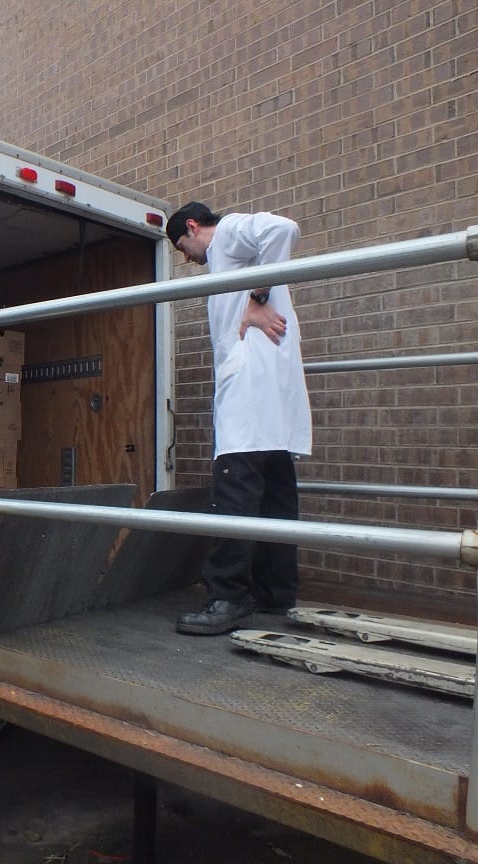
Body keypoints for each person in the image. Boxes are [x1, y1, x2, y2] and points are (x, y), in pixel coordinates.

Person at [165, 202, 312, 635]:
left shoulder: (226, 237)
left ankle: (228, 597)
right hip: (273, 402)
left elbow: (283, 227)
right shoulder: (234, 254)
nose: (187, 258)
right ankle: (275, 596)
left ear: (192, 227)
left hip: (249, 399)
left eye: (182, 247)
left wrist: (257, 295)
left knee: (235, 497)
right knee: (276, 499)